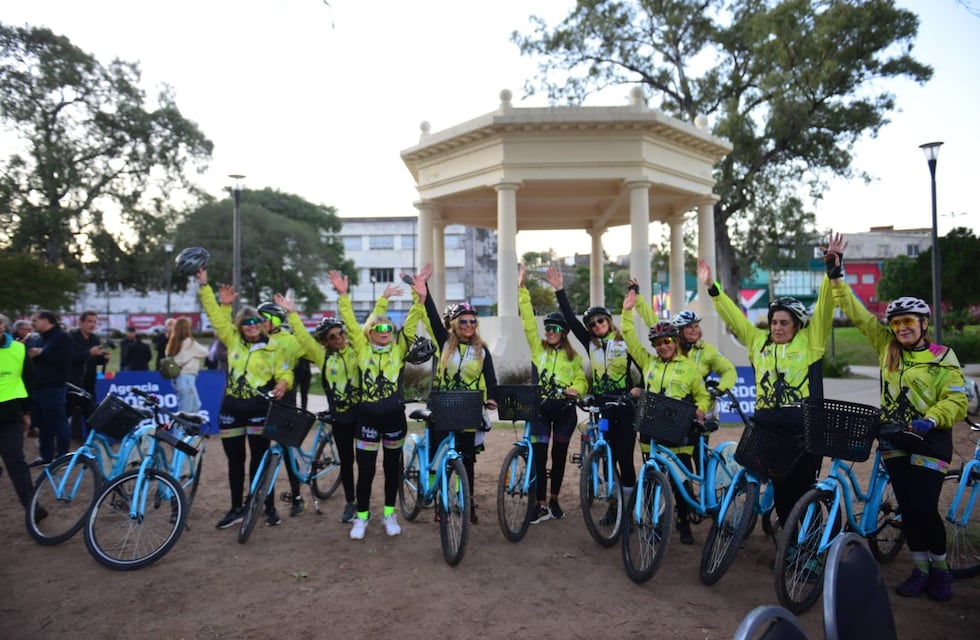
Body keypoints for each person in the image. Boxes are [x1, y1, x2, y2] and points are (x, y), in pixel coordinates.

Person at [828, 235, 967, 602]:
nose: (901, 327)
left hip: (930, 439)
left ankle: (941, 571)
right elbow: (857, 312)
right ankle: (920, 570)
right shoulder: (885, 348)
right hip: (894, 438)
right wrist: (837, 273)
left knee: (924, 506)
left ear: (924, 323)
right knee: (907, 508)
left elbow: (956, 399)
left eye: (909, 321)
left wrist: (933, 417)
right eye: (896, 322)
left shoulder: (942, 356)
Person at [696, 250, 835, 531]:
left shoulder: (811, 342)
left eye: (784, 323)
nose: (777, 327)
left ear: (797, 325)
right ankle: (789, 548)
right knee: (782, 494)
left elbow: (824, 308)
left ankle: (810, 548)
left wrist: (830, 273)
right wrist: (713, 288)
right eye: (774, 322)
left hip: (802, 428)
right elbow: (734, 317)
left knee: (802, 492)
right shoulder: (758, 341)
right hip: (768, 427)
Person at [273, 270, 383, 523]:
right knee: (346, 462)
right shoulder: (322, 357)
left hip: (363, 414)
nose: (340, 339)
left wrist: (343, 295)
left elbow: (355, 326)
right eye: (333, 337)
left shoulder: (357, 350)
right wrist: (291, 313)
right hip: (340, 417)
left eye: (341, 333)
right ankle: (351, 502)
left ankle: (365, 503)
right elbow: (302, 336)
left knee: (366, 463)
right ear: (324, 342)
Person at [195, 269, 292, 530]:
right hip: (231, 409)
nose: (252, 327)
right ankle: (236, 508)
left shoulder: (274, 347)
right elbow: (216, 319)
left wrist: (283, 382)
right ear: (240, 327)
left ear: (262, 324)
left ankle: (267, 505)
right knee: (235, 461)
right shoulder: (233, 341)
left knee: (260, 460)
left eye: (256, 322)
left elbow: (285, 371)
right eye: (246, 323)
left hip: (260, 408)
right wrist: (208, 289)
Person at [544, 265, 641, 524]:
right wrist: (559, 290)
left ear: (609, 321)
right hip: (602, 409)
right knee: (607, 456)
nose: (597, 325)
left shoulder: (625, 342)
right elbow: (570, 320)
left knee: (625, 458)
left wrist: (639, 388)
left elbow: (645, 368)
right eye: (592, 323)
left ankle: (628, 510)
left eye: (601, 320)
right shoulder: (590, 343)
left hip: (624, 406)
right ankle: (613, 505)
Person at [412, 264, 498, 525]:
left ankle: (467, 503)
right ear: (455, 324)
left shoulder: (482, 350)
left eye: (473, 321)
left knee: (467, 461)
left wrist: (492, 398)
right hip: (442, 406)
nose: (469, 324)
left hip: (469, 408)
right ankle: (441, 504)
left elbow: (491, 380)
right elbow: (433, 318)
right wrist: (424, 294)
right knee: (442, 460)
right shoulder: (444, 343)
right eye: (464, 320)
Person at [622, 291, 711, 544]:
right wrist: (627, 313)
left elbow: (701, 395)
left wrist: (701, 408)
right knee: (650, 479)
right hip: (651, 430)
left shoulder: (690, 367)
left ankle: (684, 524)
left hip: (679, 432)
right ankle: (651, 522)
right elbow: (630, 340)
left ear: (675, 341)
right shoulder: (649, 363)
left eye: (668, 341)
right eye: (659, 343)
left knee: (679, 482)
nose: (663, 346)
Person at [344, 274, 427, 540]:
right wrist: (345, 296)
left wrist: (420, 298)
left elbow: (412, 323)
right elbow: (349, 321)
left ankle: (389, 514)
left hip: (394, 419)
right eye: (378, 331)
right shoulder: (362, 349)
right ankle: (362, 517)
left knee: (393, 470)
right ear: (369, 334)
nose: (384, 334)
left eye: (388, 330)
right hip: (366, 418)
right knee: (366, 471)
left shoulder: (399, 349)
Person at [518, 264, 588, 523]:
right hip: (540, 410)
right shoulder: (539, 349)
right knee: (538, 458)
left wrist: (576, 389)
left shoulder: (574, 356)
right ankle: (539, 503)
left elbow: (582, 380)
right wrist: (522, 290)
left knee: (558, 459)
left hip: (565, 412)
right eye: (547, 328)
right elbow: (527, 322)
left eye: (555, 328)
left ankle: (555, 499)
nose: (549, 331)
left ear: (564, 332)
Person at [0, 313, 38, 516]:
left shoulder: (18, 348)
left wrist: (27, 411)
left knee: (16, 462)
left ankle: (32, 508)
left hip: (10, 415)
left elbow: (29, 380)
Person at [26, 310, 73, 466]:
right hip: (39, 387)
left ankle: (62, 456)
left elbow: (65, 361)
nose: (32, 324)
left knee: (58, 422)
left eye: (35, 320)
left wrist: (42, 353)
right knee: (42, 423)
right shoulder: (40, 338)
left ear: (46, 320)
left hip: (54, 387)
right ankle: (46, 456)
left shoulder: (62, 337)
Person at [67, 310, 110, 440]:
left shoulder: (94, 339)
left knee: (91, 415)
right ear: (81, 322)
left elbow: (93, 360)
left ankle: (91, 443)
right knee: (65, 414)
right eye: (89, 321)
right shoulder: (71, 338)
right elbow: (69, 359)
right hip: (72, 383)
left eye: (94, 322)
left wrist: (103, 359)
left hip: (89, 383)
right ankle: (60, 444)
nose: (92, 325)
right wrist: (88, 353)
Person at [165, 317, 208, 413]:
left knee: (195, 405)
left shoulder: (173, 342)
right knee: (186, 410)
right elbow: (204, 352)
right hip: (187, 377)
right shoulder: (189, 342)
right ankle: (179, 428)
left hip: (178, 377)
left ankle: (190, 427)